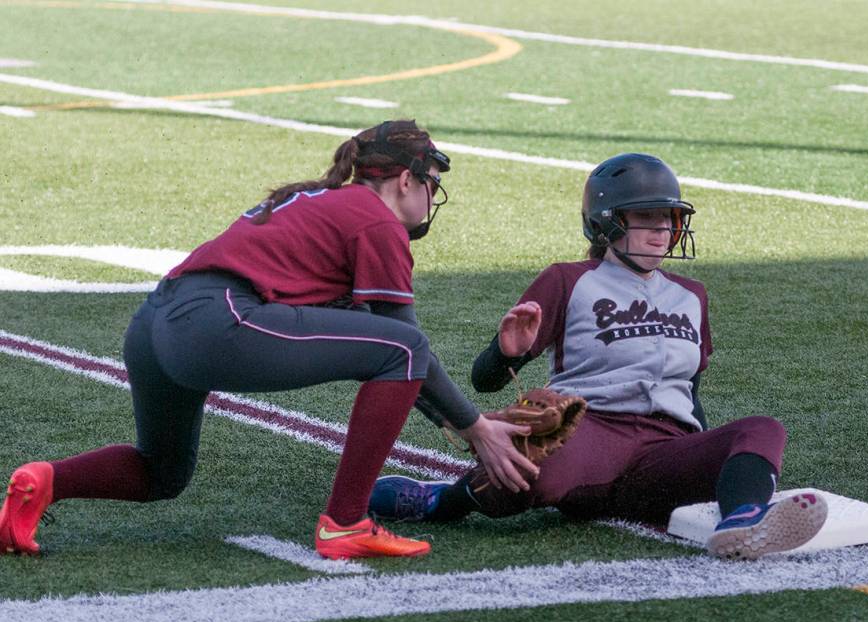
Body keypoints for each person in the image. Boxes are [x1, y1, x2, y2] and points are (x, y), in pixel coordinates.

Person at [0, 120, 537, 560]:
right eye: (431, 182)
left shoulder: (318, 197)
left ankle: (44, 480)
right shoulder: (375, 221)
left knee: (162, 472)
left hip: (154, 323)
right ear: (405, 179)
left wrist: (468, 424)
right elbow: (405, 345)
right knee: (404, 349)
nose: (431, 194)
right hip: (215, 319)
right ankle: (345, 522)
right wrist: (476, 428)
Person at [368, 153, 827, 560]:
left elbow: (690, 392)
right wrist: (506, 352)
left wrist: (703, 454)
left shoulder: (692, 294)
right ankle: (445, 502)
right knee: (533, 465)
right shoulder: (569, 279)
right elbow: (485, 381)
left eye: (668, 218)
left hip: (663, 450)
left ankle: (741, 525)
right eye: (645, 218)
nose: (662, 230)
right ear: (606, 223)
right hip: (589, 431)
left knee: (762, 430)